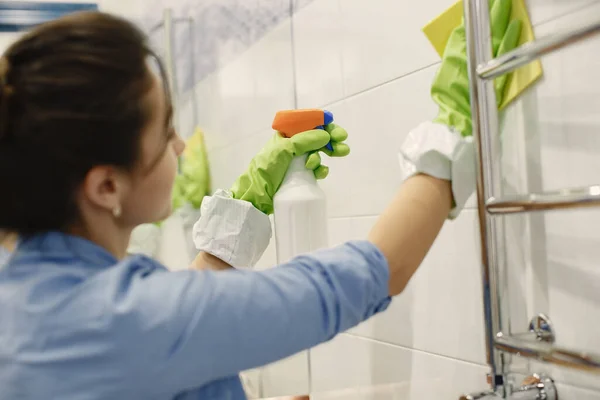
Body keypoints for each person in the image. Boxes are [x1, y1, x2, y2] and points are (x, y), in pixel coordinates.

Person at [0, 1, 521, 399]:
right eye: (166, 133)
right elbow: (366, 276)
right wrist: (450, 137)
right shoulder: (128, 321)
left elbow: (174, 327)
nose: (180, 146)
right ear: (106, 187)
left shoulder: (32, 299)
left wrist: (250, 202)